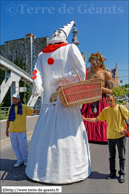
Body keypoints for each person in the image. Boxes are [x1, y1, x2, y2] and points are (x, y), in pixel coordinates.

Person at [25, 20, 91, 184]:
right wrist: (37, 82)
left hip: (66, 102)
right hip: (48, 103)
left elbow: (82, 72)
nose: (55, 34)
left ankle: (71, 171)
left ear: (65, 36)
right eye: (54, 32)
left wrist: (62, 78)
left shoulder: (71, 48)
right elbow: (36, 71)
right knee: (44, 136)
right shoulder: (42, 54)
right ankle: (41, 171)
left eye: (58, 33)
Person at [82, 93, 129, 183]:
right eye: (107, 101)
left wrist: (126, 131)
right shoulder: (105, 110)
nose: (109, 102)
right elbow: (96, 119)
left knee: (121, 156)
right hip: (110, 136)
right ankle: (112, 172)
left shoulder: (120, 108)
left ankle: (122, 174)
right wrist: (85, 118)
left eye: (110, 100)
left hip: (120, 136)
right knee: (111, 156)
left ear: (114, 99)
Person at [81, 52, 114, 142]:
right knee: (87, 118)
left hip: (101, 100)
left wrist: (98, 87)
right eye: (92, 61)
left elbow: (110, 91)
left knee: (102, 119)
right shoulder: (87, 74)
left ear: (101, 62)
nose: (94, 63)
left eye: (96, 61)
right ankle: (88, 136)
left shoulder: (107, 74)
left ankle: (103, 137)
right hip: (89, 100)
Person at [6, 93, 40, 168]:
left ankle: (26, 159)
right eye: (13, 99)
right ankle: (19, 160)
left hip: (21, 131)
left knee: (23, 146)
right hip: (12, 131)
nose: (14, 100)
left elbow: (33, 111)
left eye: (15, 99)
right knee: (15, 146)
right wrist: (6, 130)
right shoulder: (10, 108)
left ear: (19, 99)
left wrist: (43, 110)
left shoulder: (24, 107)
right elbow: (8, 120)